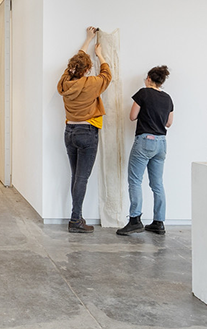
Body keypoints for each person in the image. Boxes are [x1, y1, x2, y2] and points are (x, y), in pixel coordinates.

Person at [56, 26, 111, 233]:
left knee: (75, 176)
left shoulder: (65, 82)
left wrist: (87, 41)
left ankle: (76, 217)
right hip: (87, 133)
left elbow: (75, 63)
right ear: (87, 70)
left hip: (69, 133)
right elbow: (107, 75)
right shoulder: (91, 83)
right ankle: (75, 220)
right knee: (82, 178)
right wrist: (100, 55)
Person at [118, 65, 174, 236]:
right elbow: (168, 123)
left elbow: (132, 116)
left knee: (135, 181)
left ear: (149, 78)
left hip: (145, 141)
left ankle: (135, 220)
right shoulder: (167, 98)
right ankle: (159, 222)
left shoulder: (143, 93)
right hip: (162, 143)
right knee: (157, 184)